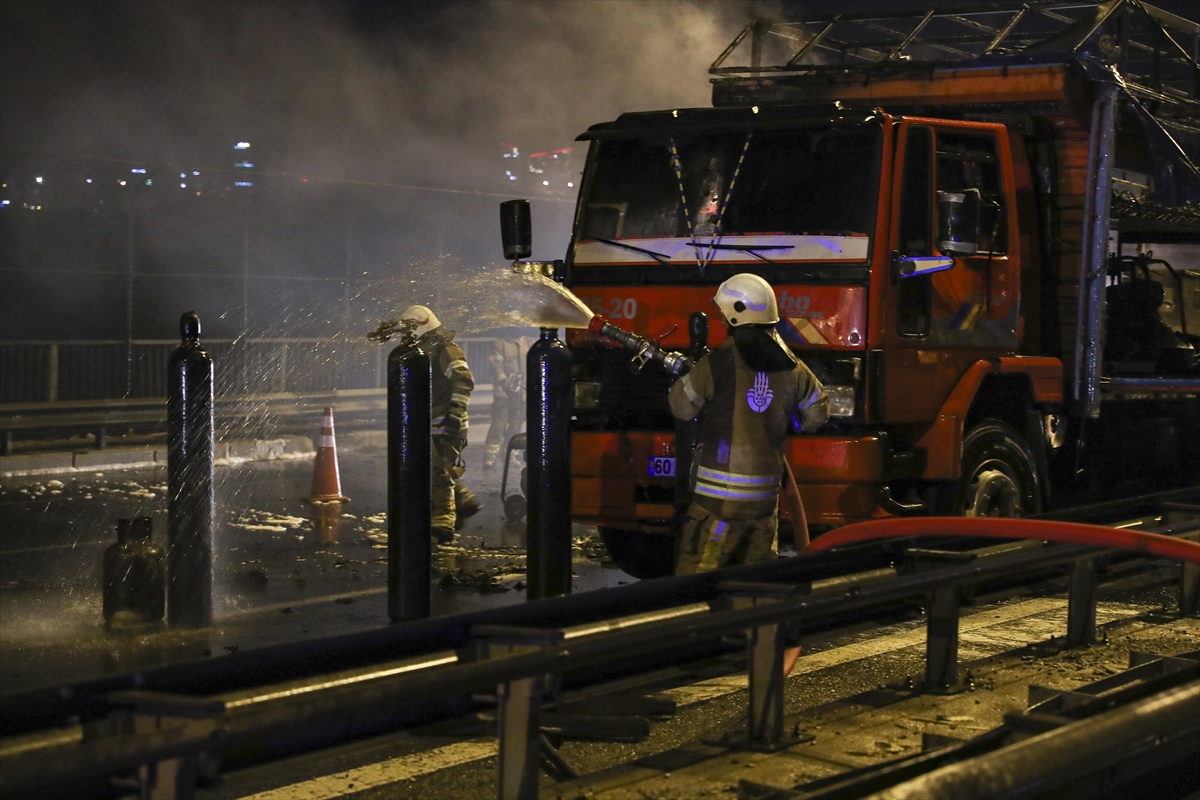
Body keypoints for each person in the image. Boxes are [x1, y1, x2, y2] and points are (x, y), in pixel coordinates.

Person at [668, 273, 828, 674]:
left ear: (735, 317)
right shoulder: (795, 369)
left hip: (716, 506)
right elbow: (816, 415)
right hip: (763, 504)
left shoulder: (717, 364)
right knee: (757, 580)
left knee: (697, 581)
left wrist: (691, 375)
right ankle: (755, 650)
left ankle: (691, 657)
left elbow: (680, 408)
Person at [396, 305, 481, 544]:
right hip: (433, 421)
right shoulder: (427, 352)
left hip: (446, 422)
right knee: (436, 469)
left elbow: (463, 380)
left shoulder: (446, 350)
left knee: (437, 472)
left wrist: (455, 412)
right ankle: (463, 501)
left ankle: (442, 525)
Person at [482, 334, 533, 472]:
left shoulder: (527, 342)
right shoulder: (500, 344)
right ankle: (490, 456)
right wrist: (505, 383)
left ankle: (510, 455)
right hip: (503, 394)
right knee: (498, 425)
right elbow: (495, 366)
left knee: (516, 426)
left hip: (521, 394)